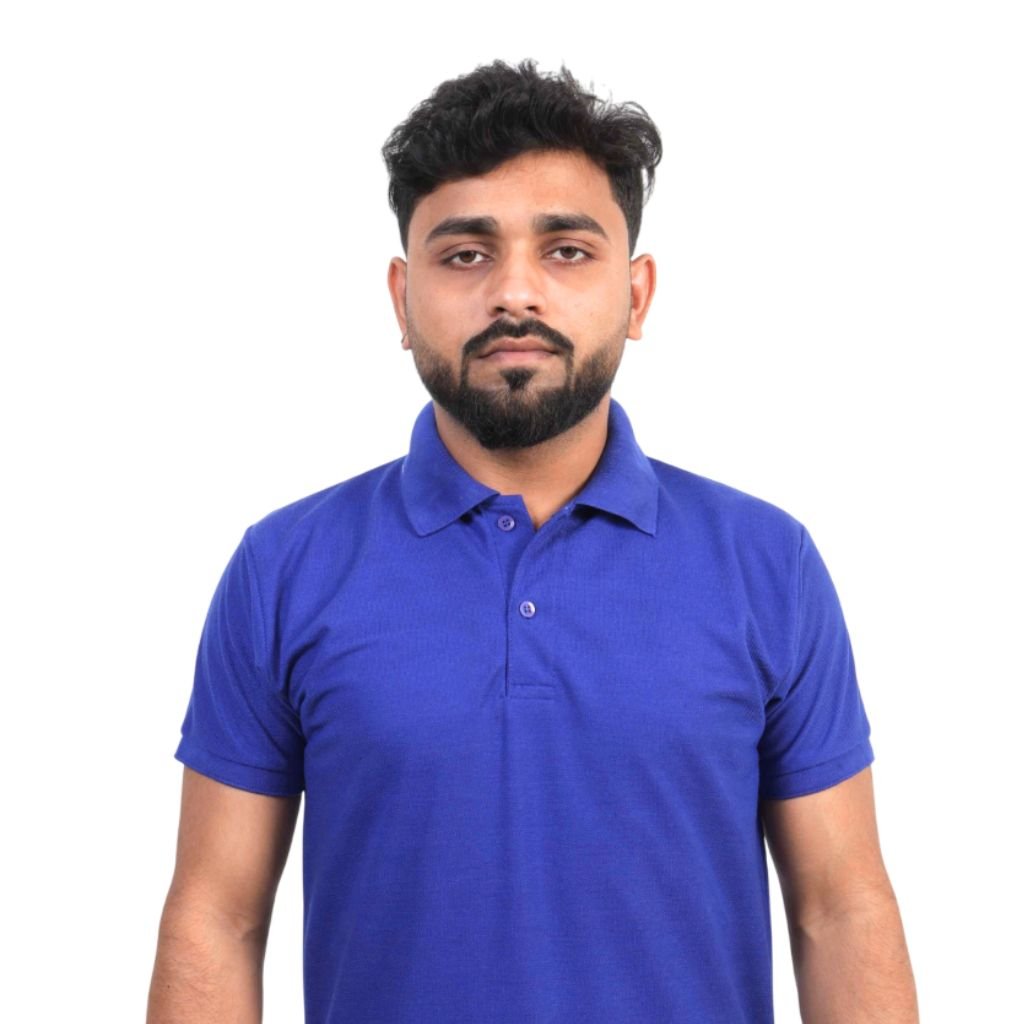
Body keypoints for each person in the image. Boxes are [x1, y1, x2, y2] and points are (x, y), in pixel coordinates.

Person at [148, 58, 918, 1023]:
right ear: (401, 298)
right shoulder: (285, 568)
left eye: (567, 251)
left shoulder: (767, 564)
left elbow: (840, 911)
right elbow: (216, 919)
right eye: (466, 255)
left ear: (637, 294)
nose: (516, 293)